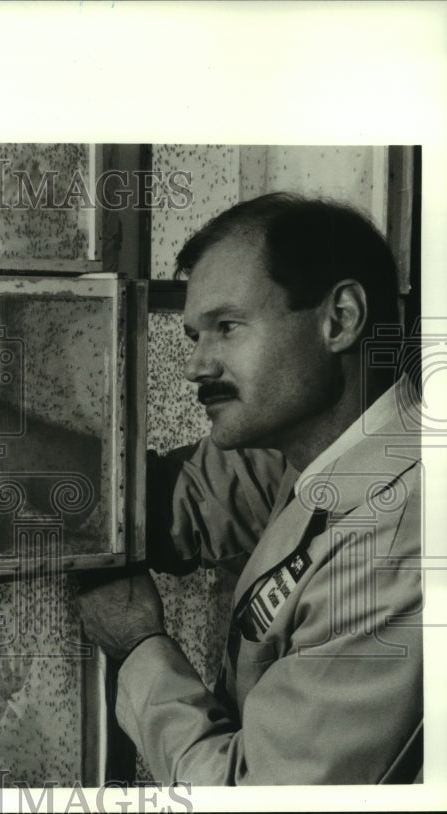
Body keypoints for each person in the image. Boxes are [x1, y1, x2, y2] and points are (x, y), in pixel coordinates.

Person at [77, 192, 424, 784]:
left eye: (227, 327)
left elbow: (255, 794)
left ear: (339, 318)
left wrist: (138, 645)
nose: (196, 366)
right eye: (195, 335)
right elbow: (148, 501)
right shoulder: (315, 449)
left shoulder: (399, 537)